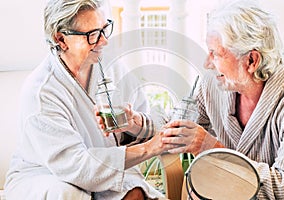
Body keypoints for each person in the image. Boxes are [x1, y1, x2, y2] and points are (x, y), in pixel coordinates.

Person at [4, 0, 175, 199]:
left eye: (104, 29)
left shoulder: (111, 65)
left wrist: (135, 124)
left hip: (101, 174)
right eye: (92, 35)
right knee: (67, 194)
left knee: (135, 193)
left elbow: (153, 123)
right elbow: (77, 166)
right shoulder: (41, 93)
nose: (104, 41)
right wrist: (148, 148)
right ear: (61, 39)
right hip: (45, 175)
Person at [161, 0, 284, 199]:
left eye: (215, 54)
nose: (207, 64)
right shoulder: (213, 85)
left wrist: (211, 149)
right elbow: (176, 126)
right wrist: (137, 125)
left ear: (252, 61)